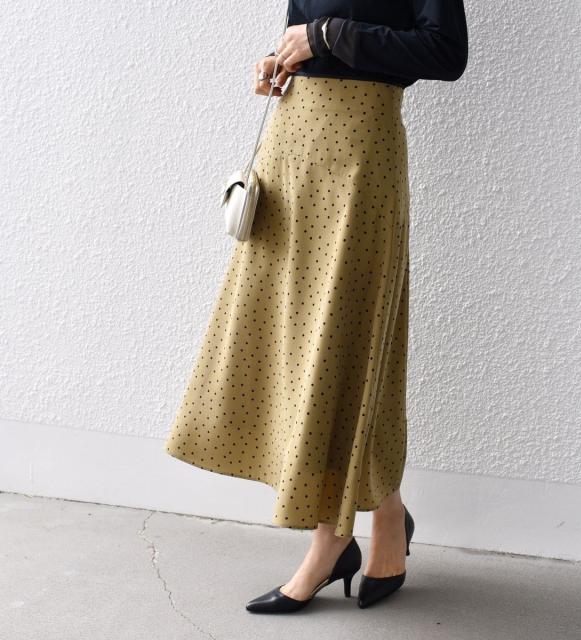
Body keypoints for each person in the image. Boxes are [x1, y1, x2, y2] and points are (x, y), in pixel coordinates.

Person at [164, 0, 468, 612]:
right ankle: (387, 518)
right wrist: (279, 60)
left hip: (361, 157)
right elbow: (302, 33)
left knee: (344, 343)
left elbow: (444, 53)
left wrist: (325, 35)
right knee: (290, 341)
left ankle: (330, 543)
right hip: (290, 150)